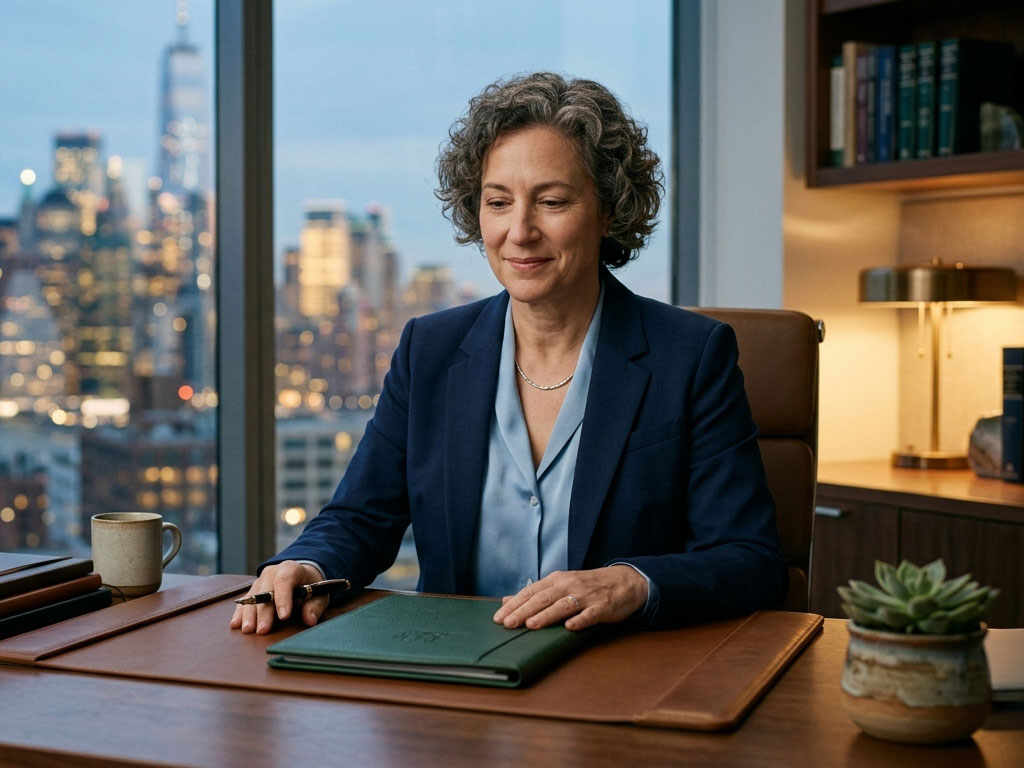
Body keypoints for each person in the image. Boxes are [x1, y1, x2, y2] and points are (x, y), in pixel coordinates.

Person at [231, 72, 787, 637]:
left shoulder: (690, 357)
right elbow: (360, 516)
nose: (519, 231)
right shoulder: (430, 349)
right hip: (455, 677)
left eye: (551, 201)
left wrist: (630, 582)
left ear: (610, 210)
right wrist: (306, 564)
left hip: (618, 676)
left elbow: (751, 559)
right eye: (498, 202)